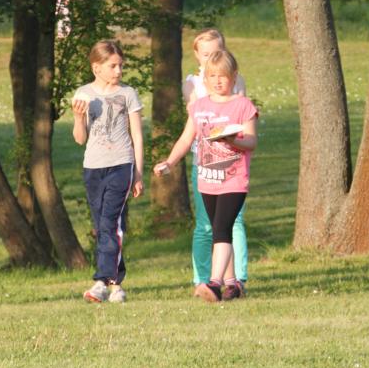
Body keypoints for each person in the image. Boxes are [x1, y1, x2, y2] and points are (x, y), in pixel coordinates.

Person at [156, 49, 258, 302]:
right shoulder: (199, 107)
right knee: (219, 230)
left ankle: (214, 284)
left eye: (223, 75)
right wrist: (170, 162)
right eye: (212, 76)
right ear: (205, 78)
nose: (218, 81)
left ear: (234, 76)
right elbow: (186, 139)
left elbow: (252, 141)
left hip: (234, 179)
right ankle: (233, 285)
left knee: (222, 228)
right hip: (207, 179)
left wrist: (233, 140)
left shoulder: (243, 105)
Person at [71, 40, 144, 304]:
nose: (118, 71)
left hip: (122, 165)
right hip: (93, 168)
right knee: (106, 226)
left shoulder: (128, 93)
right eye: (113, 66)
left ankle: (101, 282)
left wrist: (138, 173)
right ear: (96, 68)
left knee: (110, 223)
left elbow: (137, 135)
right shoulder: (83, 94)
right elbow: (80, 139)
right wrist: (78, 117)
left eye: (120, 65)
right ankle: (116, 286)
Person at [182, 29, 249, 291]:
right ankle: (202, 279)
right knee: (205, 225)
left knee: (234, 222)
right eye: (206, 54)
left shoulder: (236, 79)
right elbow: (197, 118)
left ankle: (237, 279)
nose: (212, 57)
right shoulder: (192, 84)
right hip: (205, 162)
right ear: (197, 56)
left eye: (217, 51)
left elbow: (241, 114)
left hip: (232, 162)